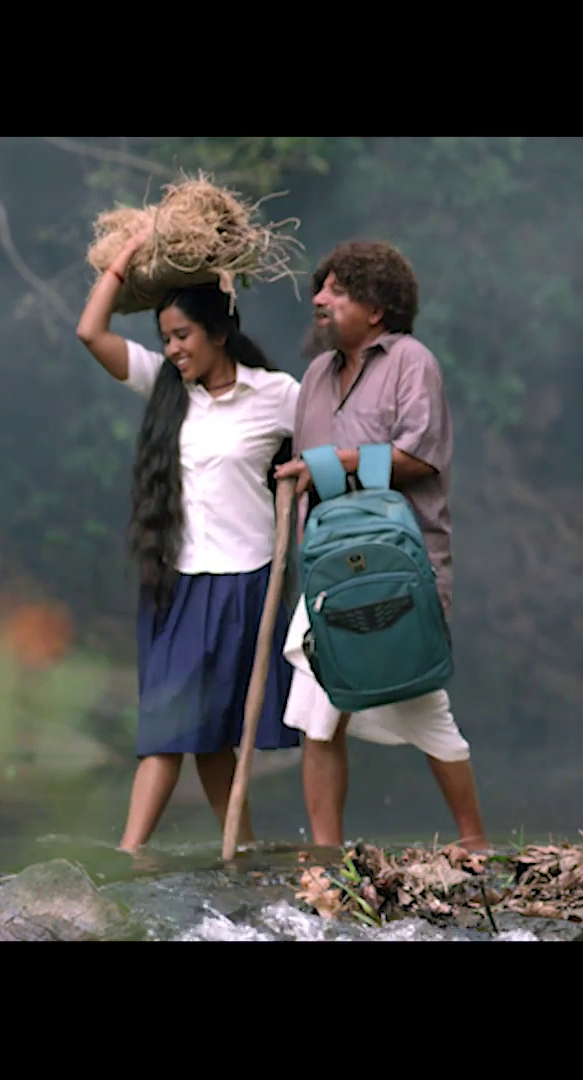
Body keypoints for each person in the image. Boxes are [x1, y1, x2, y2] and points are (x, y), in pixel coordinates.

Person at [76, 231, 301, 854]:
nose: (173, 349)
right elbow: (90, 332)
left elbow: (335, 438)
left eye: (183, 335)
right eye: (166, 338)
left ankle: (235, 852)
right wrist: (126, 257)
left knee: (210, 735)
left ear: (218, 333)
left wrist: (309, 469)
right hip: (176, 584)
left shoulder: (276, 395)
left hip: (244, 582)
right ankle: (136, 853)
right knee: (169, 727)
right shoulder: (166, 387)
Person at [272, 239, 489, 854]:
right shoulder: (316, 375)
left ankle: (474, 843)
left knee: (423, 702)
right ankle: (327, 855)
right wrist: (300, 476)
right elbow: (311, 469)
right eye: (321, 288)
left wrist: (335, 463)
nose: (320, 299)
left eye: (338, 291)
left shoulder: (411, 362)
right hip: (328, 566)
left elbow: (420, 457)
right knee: (317, 712)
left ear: (377, 307)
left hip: (399, 565)